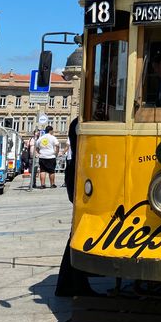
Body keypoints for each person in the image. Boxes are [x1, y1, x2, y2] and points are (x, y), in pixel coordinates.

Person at [55, 118, 93, 296]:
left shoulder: (77, 123)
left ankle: (68, 283)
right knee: (78, 232)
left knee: (76, 232)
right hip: (78, 178)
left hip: (75, 176)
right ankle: (73, 283)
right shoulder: (80, 123)